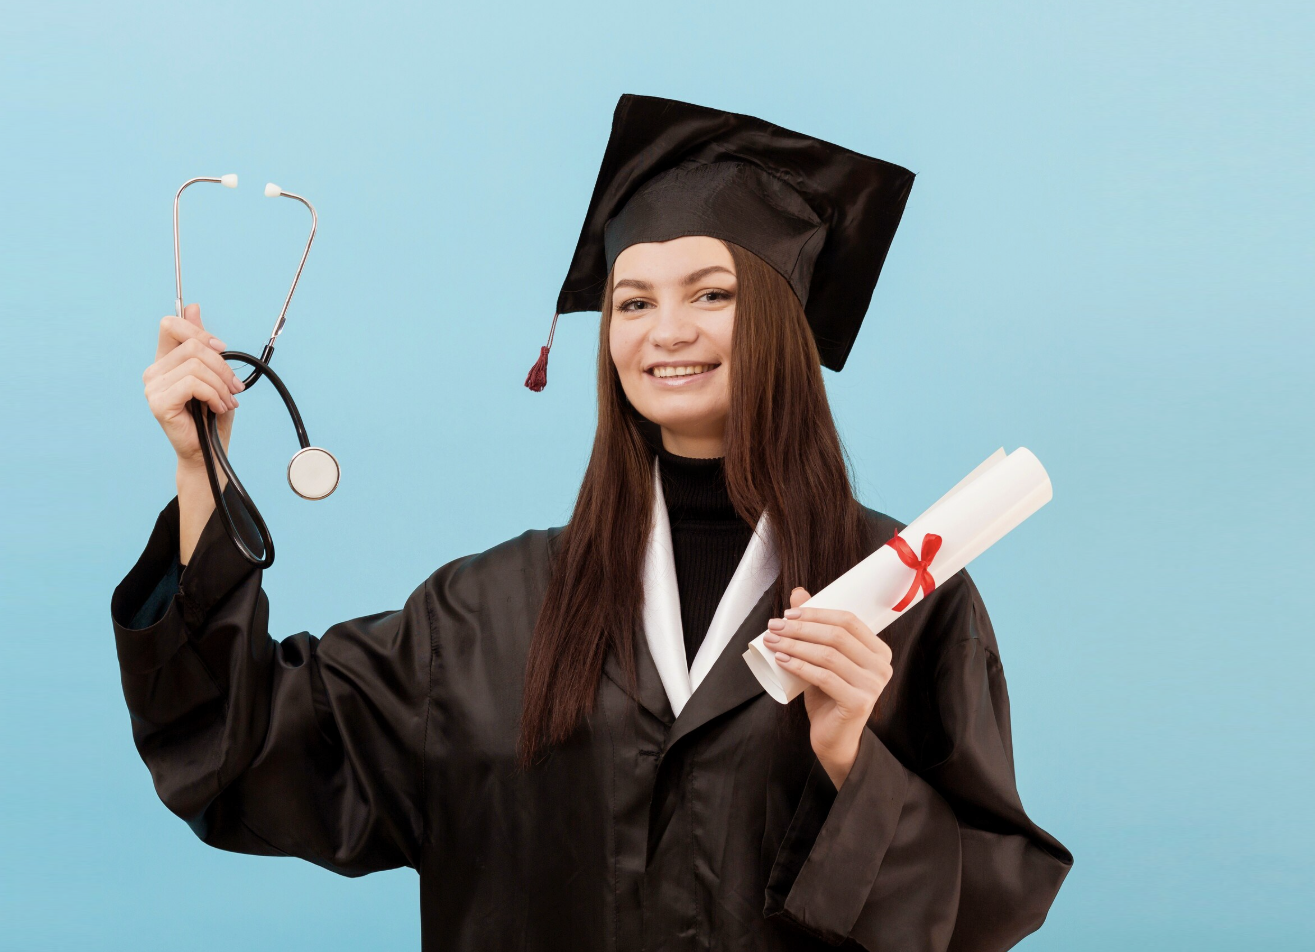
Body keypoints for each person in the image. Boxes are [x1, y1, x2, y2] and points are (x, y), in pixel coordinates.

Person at [113, 95, 1071, 951]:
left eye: (711, 293)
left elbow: (989, 906)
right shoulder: (484, 614)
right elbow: (238, 749)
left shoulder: (899, 598)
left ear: (782, 321)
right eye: (632, 301)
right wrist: (201, 472)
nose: (666, 331)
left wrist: (851, 758)